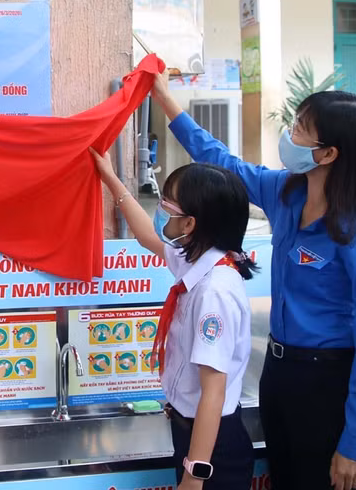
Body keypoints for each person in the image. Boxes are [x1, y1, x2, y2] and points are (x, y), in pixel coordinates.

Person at [154, 78, 356, 490]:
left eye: (300, 127)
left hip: (325, 381)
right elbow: (222, 162)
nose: (289, 133)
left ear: (329, 153)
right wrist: (165, 101)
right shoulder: (287, 193)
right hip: (278, 373)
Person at [91, 149, 256, 489]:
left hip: (212, 450)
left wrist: (195, 476)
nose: (161, 209)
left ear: (190, 224)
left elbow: (213, 391)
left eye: (167, 205)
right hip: (191, 432)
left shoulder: (215, 292)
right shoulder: (197, 259)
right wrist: (109, 177)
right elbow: (148, 237)